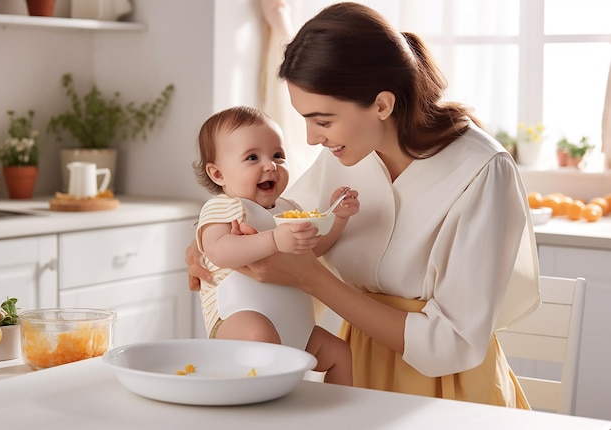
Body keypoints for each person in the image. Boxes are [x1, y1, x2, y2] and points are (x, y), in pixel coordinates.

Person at [187, 2, 540, 407]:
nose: (311, 139)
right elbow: (269, 218)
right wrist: (202, 245)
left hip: (445, 393)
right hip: (356, 376)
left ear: (382, 105)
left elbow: (452, 344)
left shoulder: (482, 171)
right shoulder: (349, 150)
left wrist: (313, 280)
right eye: (306, 119)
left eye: (322, 120)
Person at [193, 105, 358, 385]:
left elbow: (312, 249)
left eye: (278, 155)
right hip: (241, 317)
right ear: (218, 174)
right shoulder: (224, 207)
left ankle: (337, 417)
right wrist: (273, 239)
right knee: (261, 338)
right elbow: (218, 250)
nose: (270, 165)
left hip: (296, 324)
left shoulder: (289, 207)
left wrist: (338, 219)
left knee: (339, 352)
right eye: (252, 157)